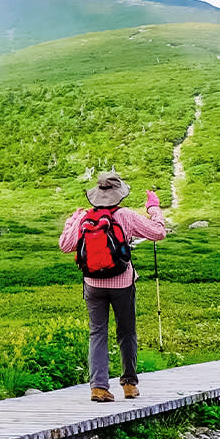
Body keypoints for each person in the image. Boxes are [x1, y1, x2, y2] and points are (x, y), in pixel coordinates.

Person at [59, 172, 167, 402]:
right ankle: (129, 384)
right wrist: (154, 209)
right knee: (126, 332)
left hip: (92, 284)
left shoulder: (84, 218)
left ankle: (98, 387)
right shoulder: (125, 215)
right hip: (122, 283)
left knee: (97, 332)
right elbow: (159, 233)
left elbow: (64, 245)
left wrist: (72, 220)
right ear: (119, 196)